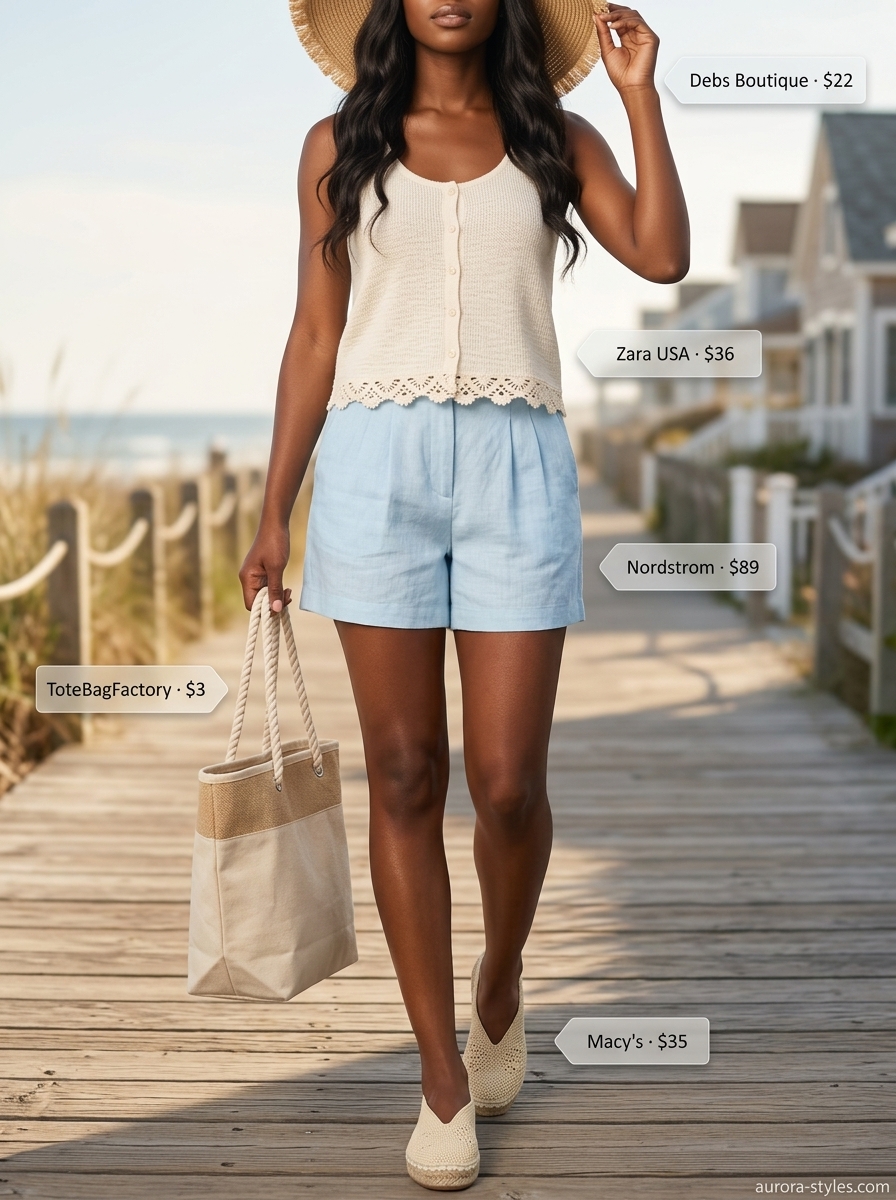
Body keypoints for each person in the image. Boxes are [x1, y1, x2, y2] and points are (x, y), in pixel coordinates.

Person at [239, 0, 688, 1188]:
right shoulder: (338, 142)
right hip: (372, 472)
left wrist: (638, 95)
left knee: (506, 783)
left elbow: (660, 255)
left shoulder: (557, 138)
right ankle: (440, 1079)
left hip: (516, 470)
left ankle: (499, 980)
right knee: (401, 774)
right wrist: (272, 508)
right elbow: (316, 334)